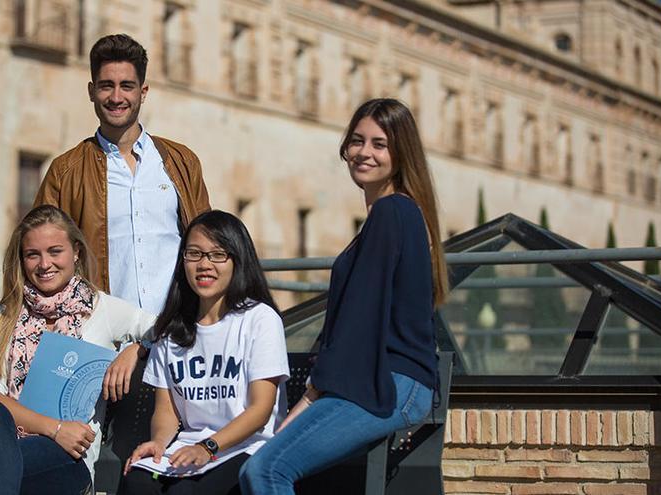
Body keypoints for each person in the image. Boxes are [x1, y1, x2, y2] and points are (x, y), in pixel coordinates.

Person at [239, 98, 449, 494]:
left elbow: (362, 317)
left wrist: (311, 396)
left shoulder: (392, 213)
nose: (363, 152)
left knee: (265, 470)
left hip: (390, 384)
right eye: (357, 141)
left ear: (401, 153)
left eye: (379, 144)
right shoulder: (397, 214)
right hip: (387, 381)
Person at [0, 205, 156, 495]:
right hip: (8, 439)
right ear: (21, 260)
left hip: (67, 456)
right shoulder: (1, 316)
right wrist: (55, 428)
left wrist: (137, 348)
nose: (44, 264)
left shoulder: (102, 308)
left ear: (76, 252)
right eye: (32, 254)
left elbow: (171, 329)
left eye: (54, 251)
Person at [34, 33, 211, 315]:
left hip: (177, 331)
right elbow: (38, 254)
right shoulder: (64, 172)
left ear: (143, 92)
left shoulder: (182, 162)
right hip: (103, 337)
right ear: (91, 91)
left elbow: (208, 244)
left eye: (126, 86)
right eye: (107, 86)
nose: (116, 97)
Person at [120, 210, 289, 495]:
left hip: (247, 448)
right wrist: (159, 443)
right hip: (189, 449)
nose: (204, 265)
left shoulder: (260, 319)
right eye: (194, 254)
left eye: (217, 255)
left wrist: (208, 447)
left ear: (238, 260)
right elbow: (167, 411)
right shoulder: (172, 330)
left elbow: (260, 411)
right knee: (136, 482)